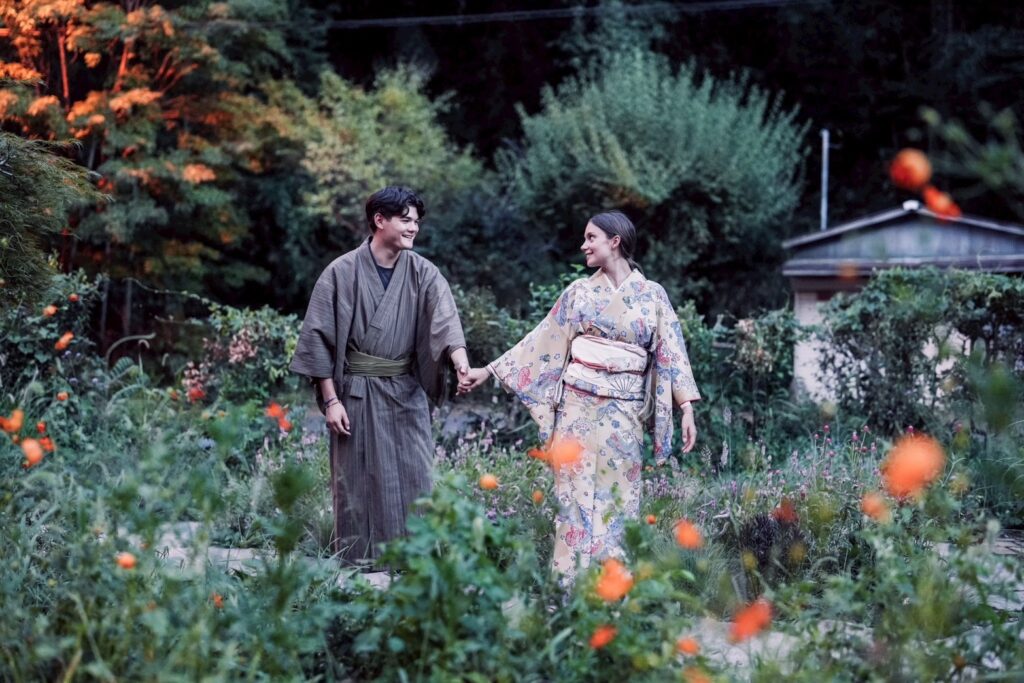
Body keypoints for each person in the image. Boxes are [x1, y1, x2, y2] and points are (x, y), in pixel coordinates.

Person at [459, 211, 699, 585]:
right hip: (577, 409)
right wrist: (488, 370)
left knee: (619, 498)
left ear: (615, 241)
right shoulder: (578, 293)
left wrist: (685, 407)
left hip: (623, 413)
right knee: (572, 497)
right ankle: (567, 588)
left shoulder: (652, 295)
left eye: (591, 238)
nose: (583, 245)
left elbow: (672, 351)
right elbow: (542, 340)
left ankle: (611, 589)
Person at [290, 186, 469, 568]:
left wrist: (461, 362)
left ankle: (415, 562)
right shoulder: (340, 273)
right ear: (379, 220)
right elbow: (318, 338)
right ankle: (358, 565)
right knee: (357, 480)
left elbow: (446, 323)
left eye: (416, 221)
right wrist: (331, 401)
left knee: (416, 476)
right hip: (355, 394)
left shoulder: (423, 273)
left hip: (406, 392)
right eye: (406, 220)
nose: (413, 228)